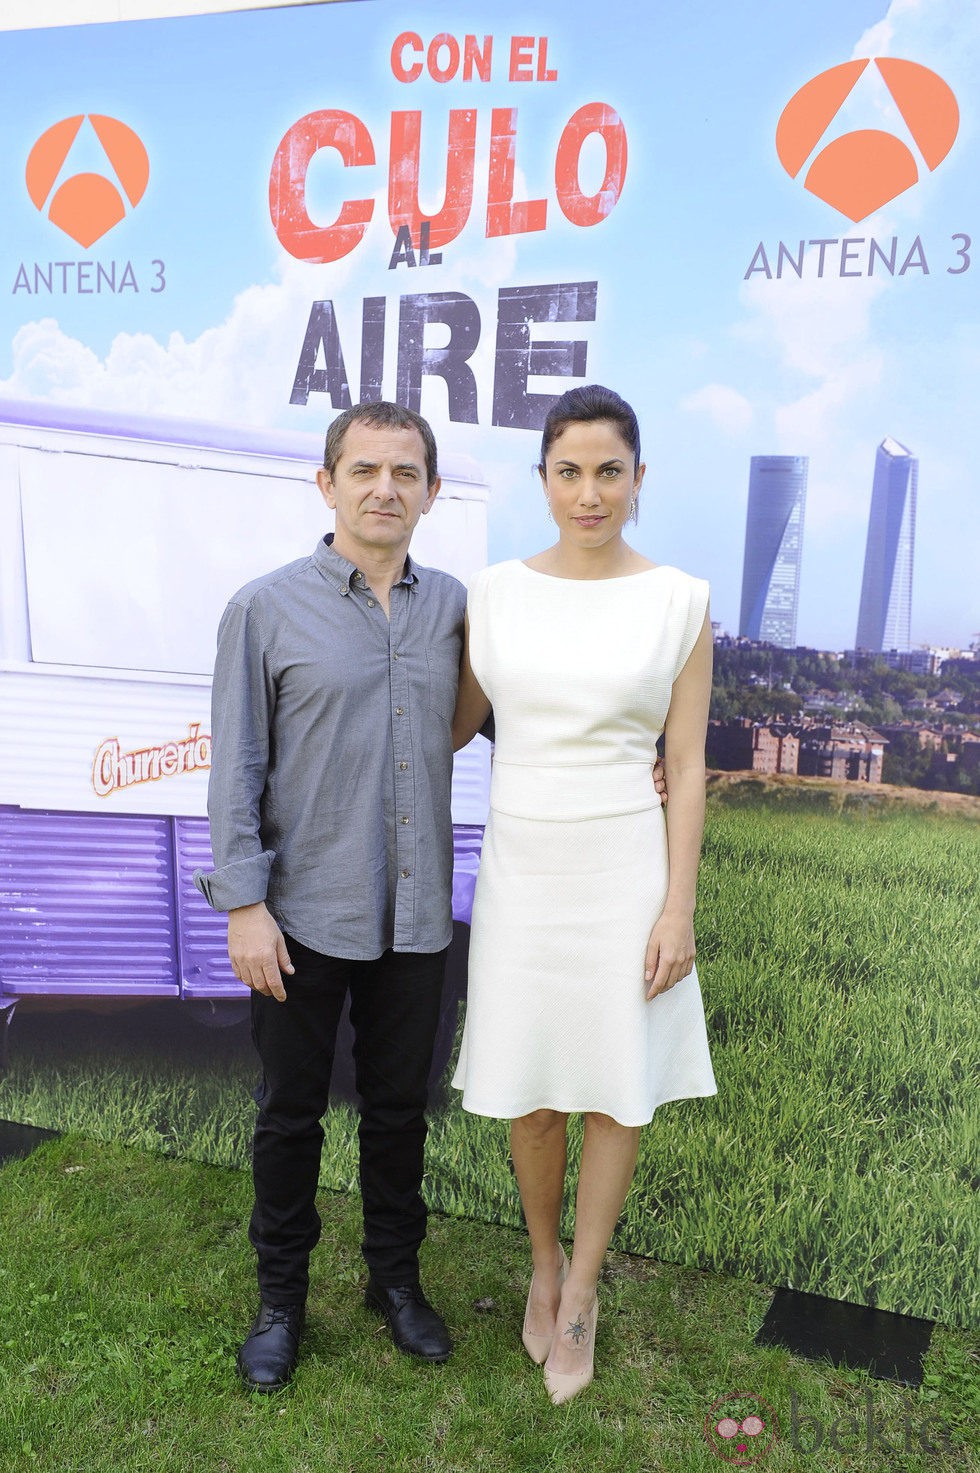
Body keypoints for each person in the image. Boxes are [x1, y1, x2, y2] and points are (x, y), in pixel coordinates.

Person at [450, 384, 716, 1405]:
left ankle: (582, 1292)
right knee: (531, 1091)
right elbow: (458, 721)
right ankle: (541, 1261)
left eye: (609, 471)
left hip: (623, 869)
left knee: (612, 1088)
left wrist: (675, 907)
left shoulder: (679, 601)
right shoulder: (494, 595)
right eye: (569, 471)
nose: (589, 492)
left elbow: (685, 765)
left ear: (637, 481)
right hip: (522, 866)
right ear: (543, 481)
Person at [194, 401, 463, 1390]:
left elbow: (526, 708)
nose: (385, 488)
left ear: (430, 491)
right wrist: (243, 905)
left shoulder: (455, 610)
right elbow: (236, 770)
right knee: (288, 1117)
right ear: (327, 484)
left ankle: (394, 1283)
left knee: (399, 1115)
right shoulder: (264, 609)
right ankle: (280, 1300)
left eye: (405, 471)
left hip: (417, 914)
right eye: (365, 470)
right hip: (300, 916)